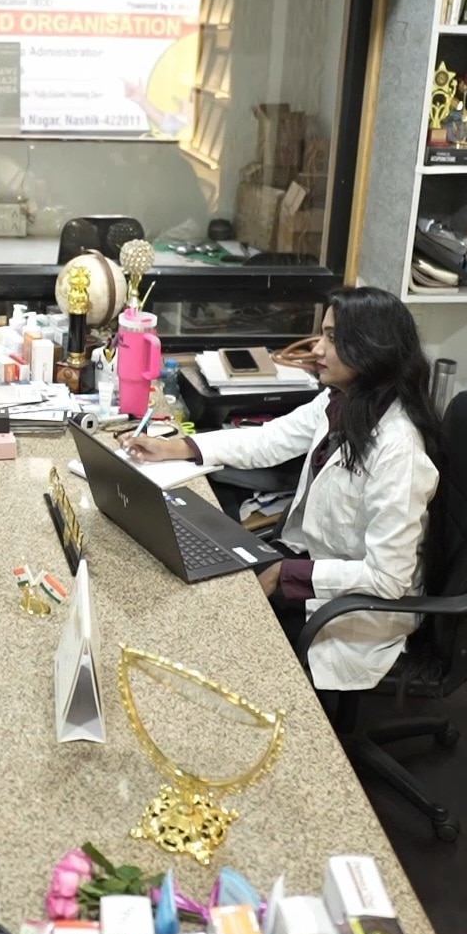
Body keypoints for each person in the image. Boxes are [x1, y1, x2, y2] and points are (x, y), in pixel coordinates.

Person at [124, 286, 442, 692]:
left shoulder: (399, 450)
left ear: (369, 349)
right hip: (310, 562)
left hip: (354, 609)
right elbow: (268, 440)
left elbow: (387, 578)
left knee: (227, 648)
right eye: (323, 334)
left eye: (332, 338)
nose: (317, 349)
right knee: (202, 594)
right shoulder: (343, 402)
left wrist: (285, 572)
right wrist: (176, 447)